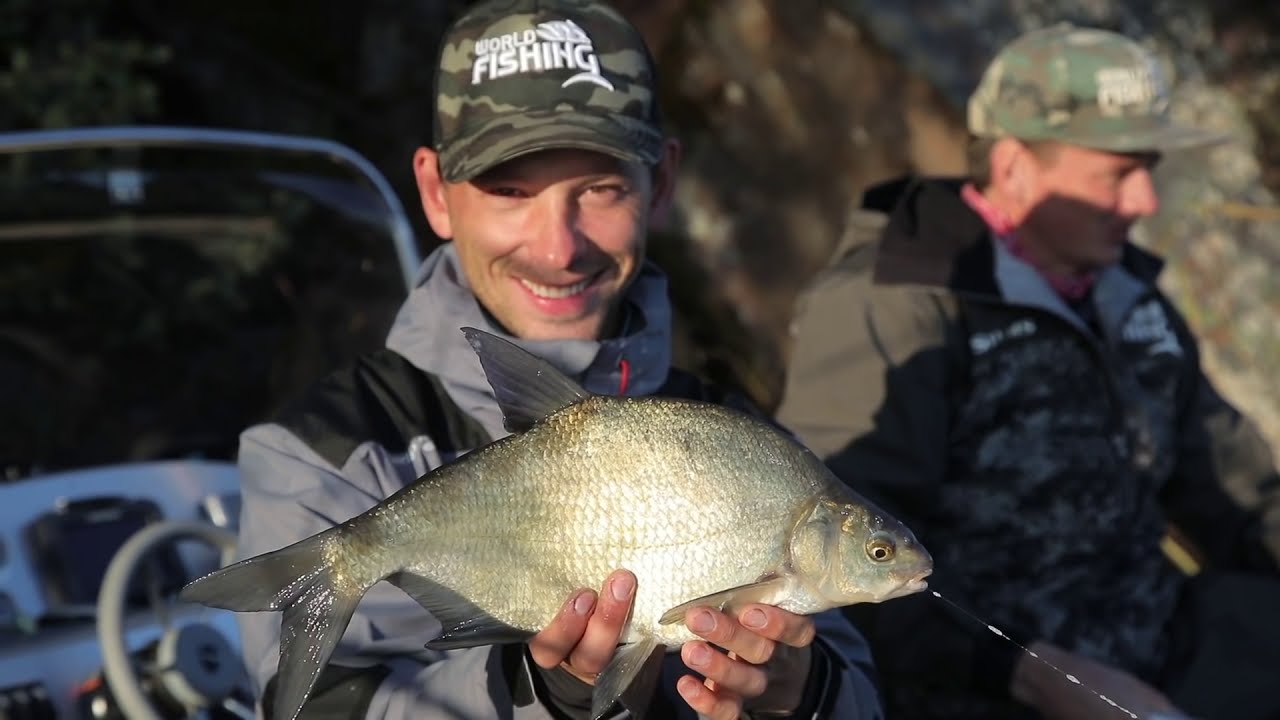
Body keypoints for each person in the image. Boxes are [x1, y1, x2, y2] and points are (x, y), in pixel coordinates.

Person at [232, 1, 886, 718]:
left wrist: (797, 695)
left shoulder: (738, 436)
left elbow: (857, 688)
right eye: (510, 190)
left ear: (661, 185)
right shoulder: (319, 450)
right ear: (434, 192)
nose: (558, 247)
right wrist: (535, 693)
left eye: (601, 190)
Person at [775, 22, 1280, 720]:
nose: (1144, 203)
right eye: (1116, 173)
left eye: (1148, 168)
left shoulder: (1125, 292)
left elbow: (1237, 489)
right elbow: (835, 564)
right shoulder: (894, 305)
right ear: (1014, 167)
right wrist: (1033, 676)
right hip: (989, 692)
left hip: (1173, 645)